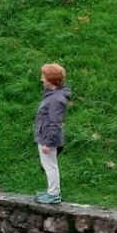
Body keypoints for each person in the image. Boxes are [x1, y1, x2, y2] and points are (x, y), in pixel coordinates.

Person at [35, 63, 71, 204]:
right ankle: (51, 191)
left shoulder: (56, 99)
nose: (42, 79)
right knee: (49, 165)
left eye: (44, 76)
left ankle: (54, 194)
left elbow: (55, 123)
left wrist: (48, 143)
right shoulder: (53, 96)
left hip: (47, 138)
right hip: (45, 136)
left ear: (50, 80)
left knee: (50, 166)